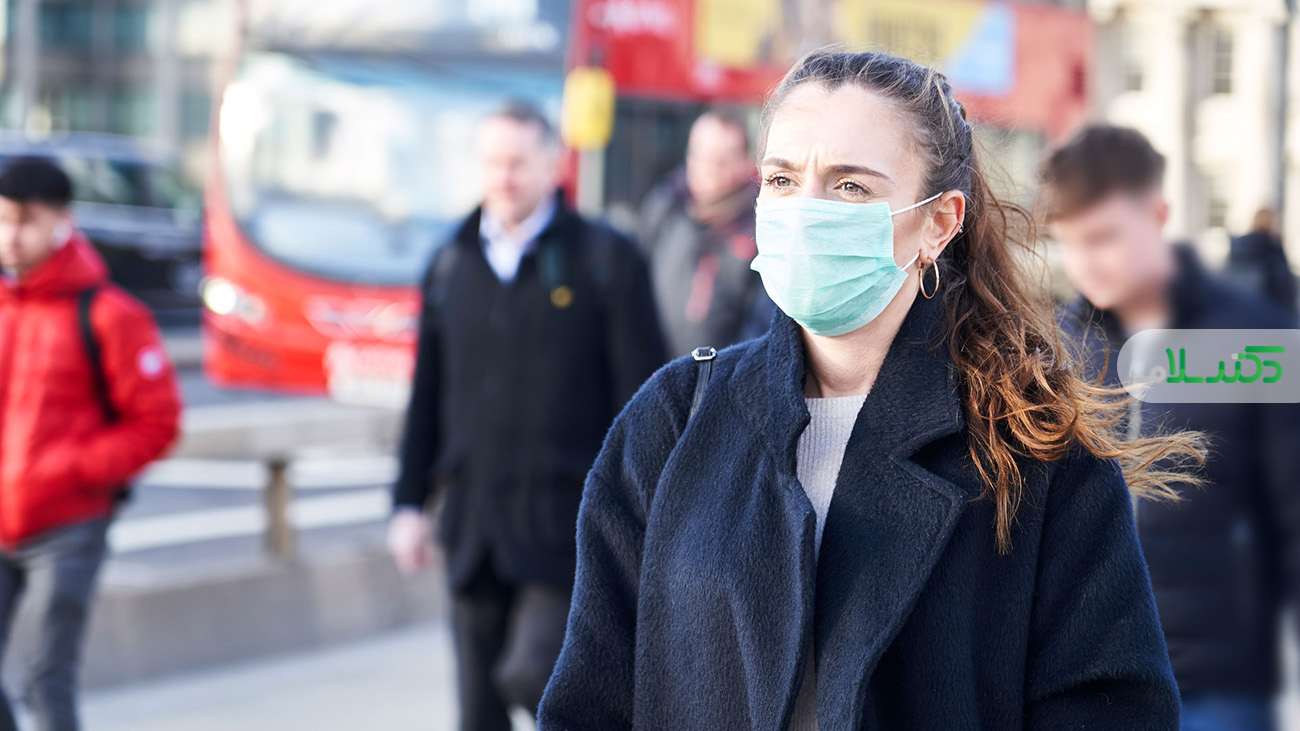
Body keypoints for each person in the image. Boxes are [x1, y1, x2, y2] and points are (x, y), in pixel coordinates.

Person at [539, 51, 1201, 729]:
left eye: (851, 186)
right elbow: (591, 699)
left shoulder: (1031, 445)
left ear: (939, 223)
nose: (806, 211)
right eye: (782, 179)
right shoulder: (675, 416)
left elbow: (1111, 705)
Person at [387, 100, 666, 730]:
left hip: (567, 527)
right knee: (477, 708)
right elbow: (427, 392)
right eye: (492, 163)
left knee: (536, 674)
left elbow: (645, 396)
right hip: (473, 526)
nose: (503, 178)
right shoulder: (451, 261)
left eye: (517, 163)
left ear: (551, 165)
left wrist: (643, 510)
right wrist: (408, 503)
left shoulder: (605, 258)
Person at [1041, 125, 1300, 731]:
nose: (1084, 263)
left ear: (1157, 215)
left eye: (1103, 238)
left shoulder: (1256, 339)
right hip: (1082, 679)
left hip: (1214, 683)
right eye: (1069, 243)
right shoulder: (1052, 349)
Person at [0, 157, 181, 731]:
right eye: (2, 221)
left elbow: (156, 423)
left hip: (68, 524)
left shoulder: (109, 314)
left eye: (26, 222)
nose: (11, 237)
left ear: (62, 222)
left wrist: (75, 468)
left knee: (45, 678)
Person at [637, 108, 773, 356]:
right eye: (701, 155)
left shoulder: (761, 226)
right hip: (657, 368)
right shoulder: (665, 207)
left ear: (745, 163)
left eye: (723, 159)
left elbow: (761, 325)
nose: (709, 169)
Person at [1225, 207, 1298, 316]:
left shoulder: (1238, 250)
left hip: (1239, 315)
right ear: (1272, 224)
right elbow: (1285, 292)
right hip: (1268, 317)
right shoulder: (1272, 252)